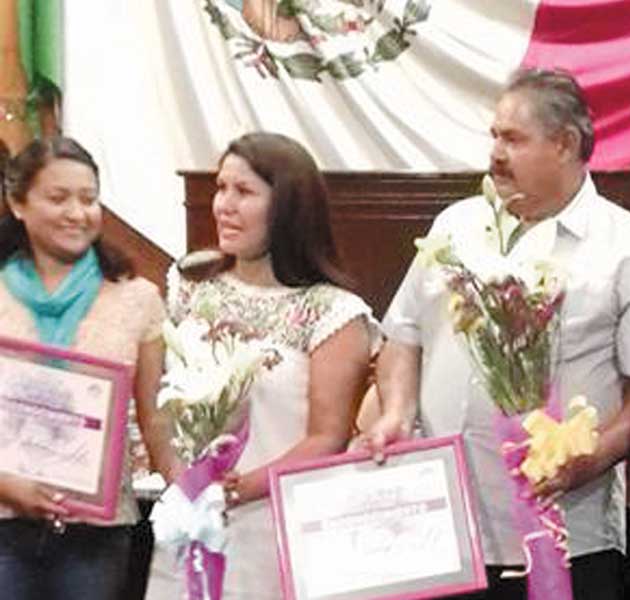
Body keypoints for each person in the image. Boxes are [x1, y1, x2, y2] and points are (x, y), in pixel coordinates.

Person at [366, 68, 630, 600]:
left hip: (566, 531)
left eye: (512, 139)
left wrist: (592, 458)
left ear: (565, 143)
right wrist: (395, 411)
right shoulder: (455, 226)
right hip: (443, 529)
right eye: (494, 136)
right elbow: (403, 334)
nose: (495, 155)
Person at [144, 132, 380, 599]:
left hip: (273, 527)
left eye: (244, 192)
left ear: (288, 207)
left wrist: (230, 491)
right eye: (221, 188)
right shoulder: (191, 285)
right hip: (187, 524)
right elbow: (157, 404)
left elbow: (326, 437)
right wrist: (184, 485)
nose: (224, 206)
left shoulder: (332, 312)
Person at [0, 136, 170, 600]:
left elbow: (155, 418)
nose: (77, 213)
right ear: (18, 203)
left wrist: (192, 491)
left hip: (98, 531)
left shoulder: (137, 298)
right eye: (59, 198)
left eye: (88, 199)